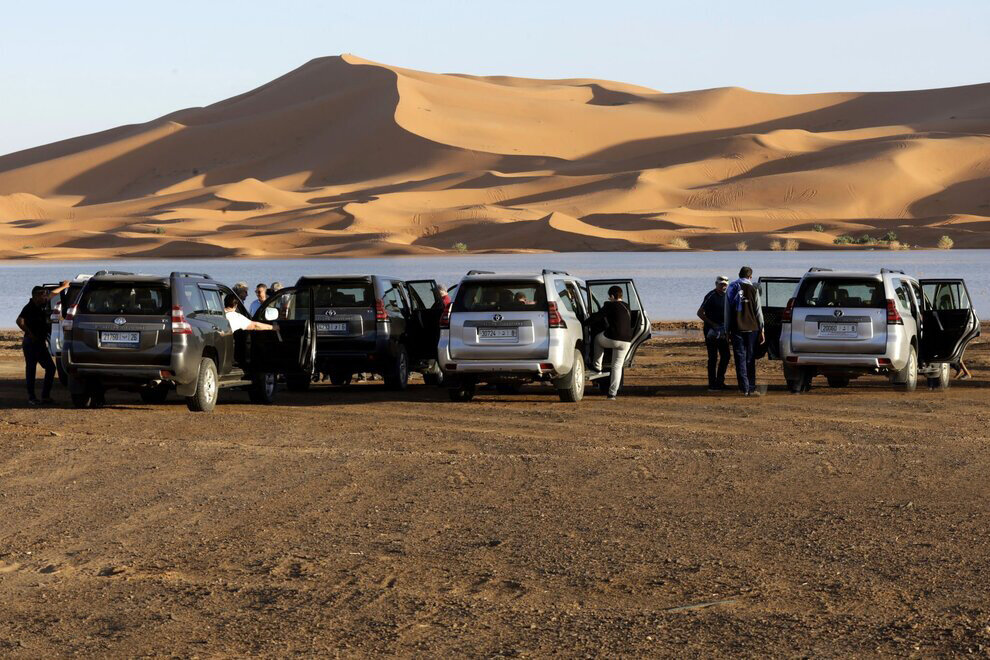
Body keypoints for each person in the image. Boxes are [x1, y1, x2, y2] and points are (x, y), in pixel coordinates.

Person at [16, 281, 70, 405]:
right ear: (36, 296)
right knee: (31, 370)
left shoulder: (41, 304)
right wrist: (29, 333)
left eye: (45, 295)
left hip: (39, 343)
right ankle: (32, 397)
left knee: (50, 368)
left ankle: (45, 396)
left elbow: (52, 294)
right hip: (31, 343)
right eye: (43, 295)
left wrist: (63, 287)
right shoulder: (29, 307)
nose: (45, 297)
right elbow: (19, 321)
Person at [725, 266, 765, 396]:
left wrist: (727, 330)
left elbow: (727, 311)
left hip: (736, 328)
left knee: (740, 358)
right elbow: (758, 311)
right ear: (750, 276)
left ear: (739, 274)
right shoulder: (754, 288)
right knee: (750, 358)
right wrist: (762, 329)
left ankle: (744, 388)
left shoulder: (731, 287)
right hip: (752, 328)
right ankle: (751, 387)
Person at [589, 285, 634, 400]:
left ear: (612, 296)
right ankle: (612, 394)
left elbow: (597, 317)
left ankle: (597, 367)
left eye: (609, 297)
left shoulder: (610, 305)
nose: (609, 299)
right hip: (627, 341)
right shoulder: (627, 306)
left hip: (613, 338)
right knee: (617, 367)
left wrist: (584, 322)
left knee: (597, 340)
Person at [697, 275, 730, 391]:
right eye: (721, 284)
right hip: (711, 331)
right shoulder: (711, 295)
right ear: (716, 284)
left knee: (726, 356)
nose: (723, 286)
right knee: (713, 357)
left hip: (723, 331)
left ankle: (720, 381)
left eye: (725, 285)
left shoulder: (728, 296)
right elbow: (700, 313)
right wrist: (712, 324)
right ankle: (712, 384)